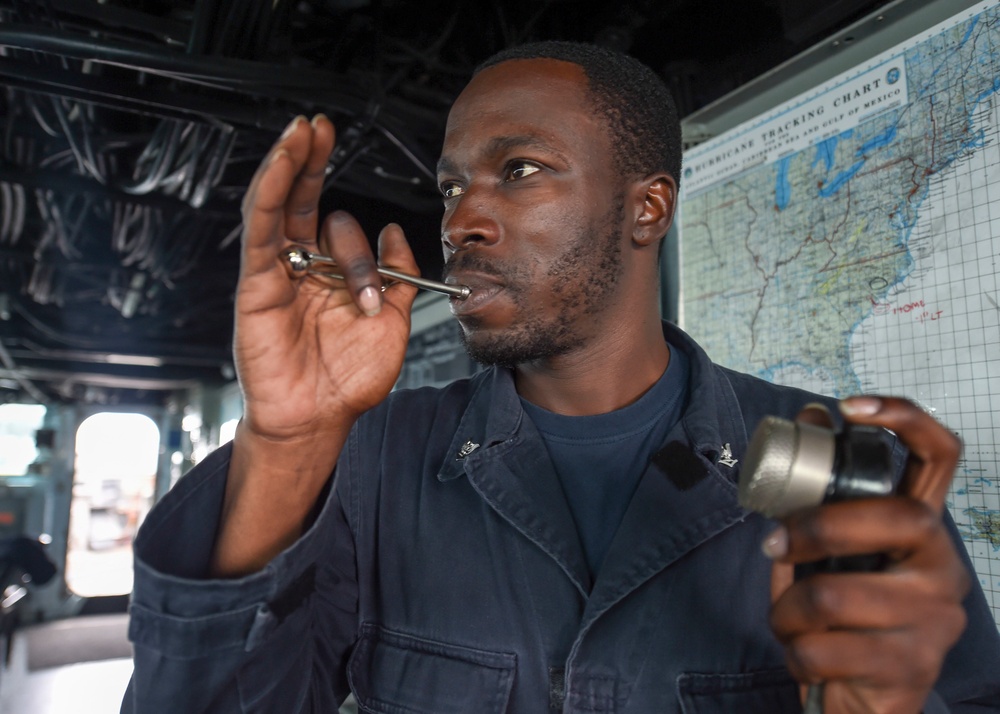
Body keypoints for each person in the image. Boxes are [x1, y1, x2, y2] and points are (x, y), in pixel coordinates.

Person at [121, 41, 1000, 713]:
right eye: (452, 186)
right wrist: (289, 443)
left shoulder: (839, 473)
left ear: (646, 208)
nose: (462, 219)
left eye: (521, 170)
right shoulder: (375, 458)